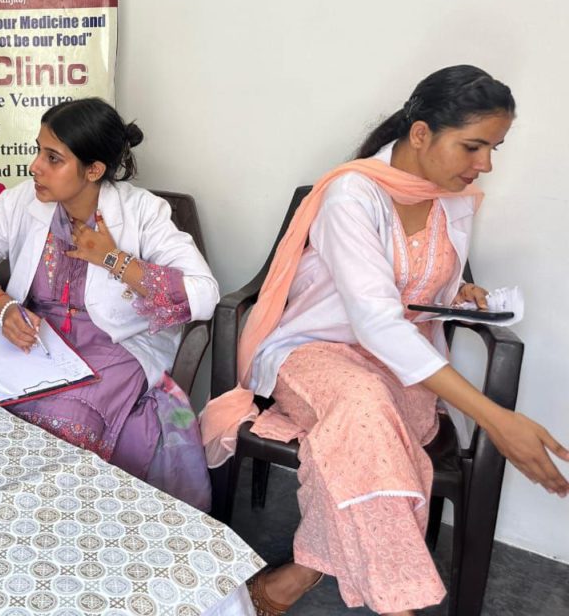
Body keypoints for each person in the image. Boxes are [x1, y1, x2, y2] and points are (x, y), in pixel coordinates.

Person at [201, 65, 569, 615]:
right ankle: (400, 606)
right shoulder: (351, 195)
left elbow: (414, 282)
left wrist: (456, 290)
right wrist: (496, 419)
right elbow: (375, 319)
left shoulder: (453, 200)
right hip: (313, 353)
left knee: (361, 436)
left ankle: (297, 576)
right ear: (420, 134)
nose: (486, 165)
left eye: (494, 149)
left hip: (402, 368)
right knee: (364, 407)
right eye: (473, 146)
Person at [0, 97, 218, 510]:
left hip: (114, 343)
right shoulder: (22, 201)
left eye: (53, 158)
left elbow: (203, 292)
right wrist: (4, 307)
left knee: (71, 418)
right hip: (38, 335)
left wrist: (112, 258)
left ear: (93, 170)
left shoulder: (143, 212)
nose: (35, 166)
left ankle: (63, 525)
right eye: (38, 151)